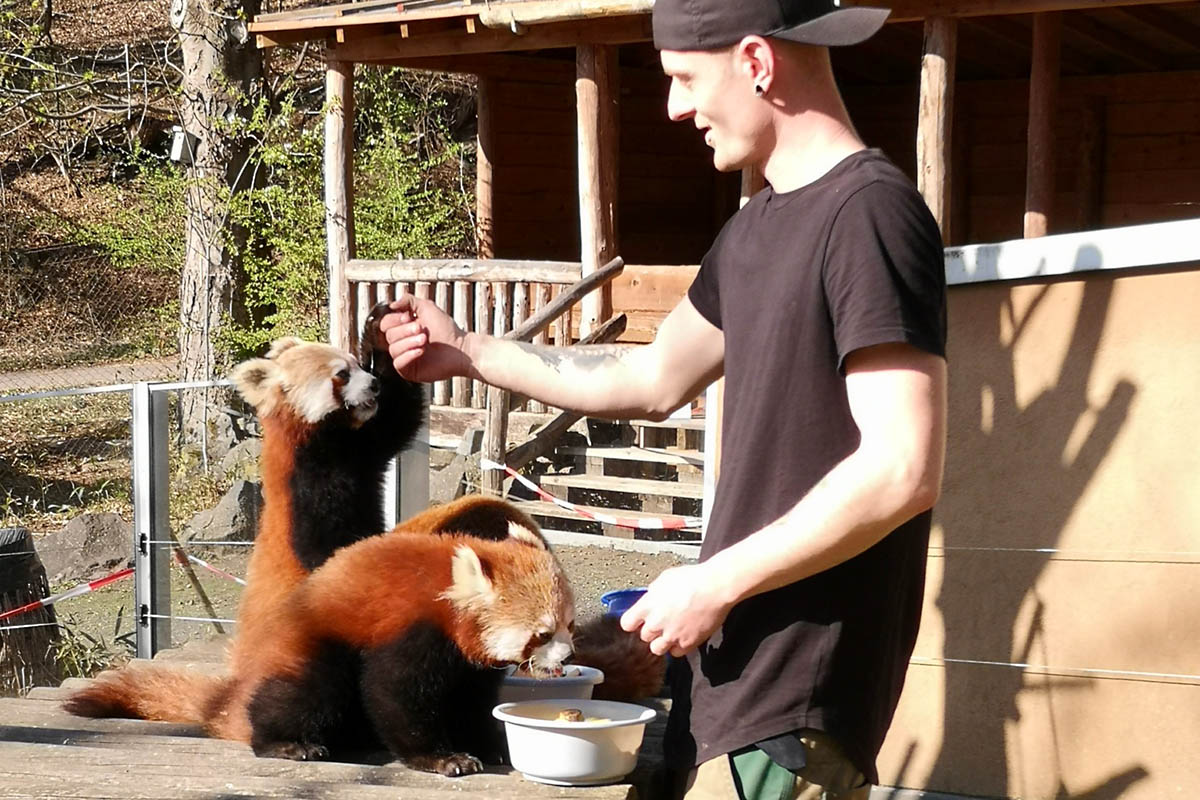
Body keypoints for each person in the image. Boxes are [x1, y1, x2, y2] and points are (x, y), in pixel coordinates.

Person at [380, 1, 948, 797]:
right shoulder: (753, 232)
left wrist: (712, 583)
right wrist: (471, 353)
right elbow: (646, 382)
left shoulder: (869, 215)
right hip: (722, 675)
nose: (676, 106)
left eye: (685, 77)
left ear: (756, 62)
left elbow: (901, 467)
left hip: (796, 699)